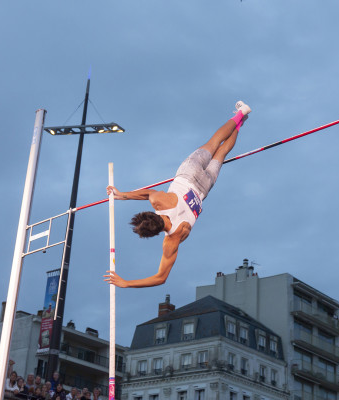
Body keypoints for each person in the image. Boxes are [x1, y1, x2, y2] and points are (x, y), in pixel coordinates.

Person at [104, 101, 251, 288]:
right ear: (150, 214)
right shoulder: (159, 202)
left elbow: (160, 278)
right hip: (189, 173)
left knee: (221, 153)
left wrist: (126, 283)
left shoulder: (173, 239)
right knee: (214, 143)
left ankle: (241, 121)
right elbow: (147, 194)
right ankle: (239, 115)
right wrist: (122, 195)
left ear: (154, 234)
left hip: (203, 188)